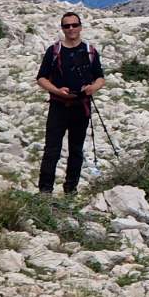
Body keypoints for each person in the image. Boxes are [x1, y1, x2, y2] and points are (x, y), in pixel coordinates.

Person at [34, 12, 105, 195]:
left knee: (76, 150)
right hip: (58, 106)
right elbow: (41, 78)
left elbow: (100, 77)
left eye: (74, 25)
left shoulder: (90, 51)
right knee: (52, 149)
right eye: (67, 26)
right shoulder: (54, 51)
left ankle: (70, 190)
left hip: (81, 107)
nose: (71, 29)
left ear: (80, 27)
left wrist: (92, 88)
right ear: (62, 29)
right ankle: (45, 191)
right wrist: (57, 91)